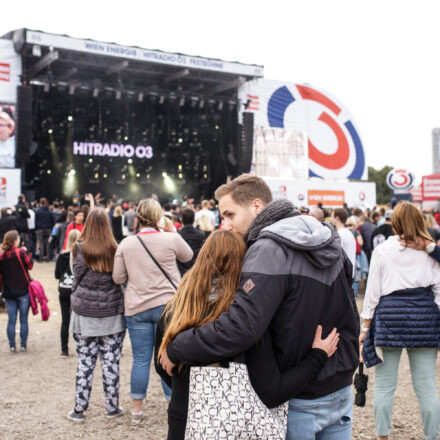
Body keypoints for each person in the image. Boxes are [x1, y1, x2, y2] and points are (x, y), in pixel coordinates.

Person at [160, 174, 359, 440]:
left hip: (298, 394)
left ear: (256, 206)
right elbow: (350, 305)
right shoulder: (328, 237)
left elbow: (242, 327)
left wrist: (178, 347)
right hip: (340, 384)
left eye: (230, 215)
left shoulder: (267, 248)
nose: (226, 224)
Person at [155, 229, 339, 439]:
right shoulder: (245, 321)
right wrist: (317, 357)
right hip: (234, 428)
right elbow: (273, 393)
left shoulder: (174, 311)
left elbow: (163, 367)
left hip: (182, 423)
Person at [361, 202, 440, 440]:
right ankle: (432, 436)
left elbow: (373, 291)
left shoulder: (383, 250)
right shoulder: (428, 248)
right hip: (424, 315)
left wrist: (365, 326)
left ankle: (383, 436)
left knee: (385, 385)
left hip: (389, 316)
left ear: (394, 222)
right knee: (426, 385)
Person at [112, 198, 193, 424]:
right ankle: (171, 402)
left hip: (137, 307)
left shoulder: (126, 244)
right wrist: (171, 229)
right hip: (168, 306)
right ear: (160, 216)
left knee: (140, 359)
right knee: (168, 354)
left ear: (137, 217)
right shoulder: (171, 238)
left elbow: (117, 277)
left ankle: (136, 411)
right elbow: (188, 256)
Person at [67, 208, 125, 423]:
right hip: (111, 314)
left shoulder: (77, 248)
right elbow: (120, 278)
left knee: (85, 362)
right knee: (111, 363)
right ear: (107, 225)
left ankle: (79, 409)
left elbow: (75, 275)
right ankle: (112, 407)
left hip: (84, 314)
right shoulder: (115, 249)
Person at [0, 230, 33, 352]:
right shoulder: (21, 252)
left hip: (9, 292)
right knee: (23, 320)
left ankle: (12, 345)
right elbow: (30, 265)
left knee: (11, 320)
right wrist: (25, 252)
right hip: (23, 290)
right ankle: (23, 345)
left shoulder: (2, 256)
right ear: (15, 241)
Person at [55, 228, 80, 358]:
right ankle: (79, 346)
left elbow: (56, 274)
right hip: (75, 290)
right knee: (78, 319)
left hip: (63, 288)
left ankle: (64, 350)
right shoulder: (79, 256)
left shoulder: (61, 256)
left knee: (65, 320)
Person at [176, 208, 206, 276]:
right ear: (194, 220)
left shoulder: (177, 235)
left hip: (181, 272)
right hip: (196, 271)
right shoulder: (202, 235)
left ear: (181, 220)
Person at [330, 208, 356, 279]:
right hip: (350, 273)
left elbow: (336, 255)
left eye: (332, 216)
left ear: (337, 218)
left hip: (343, 274)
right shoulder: (349, 233)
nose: (330, 219)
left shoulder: (339, 234)